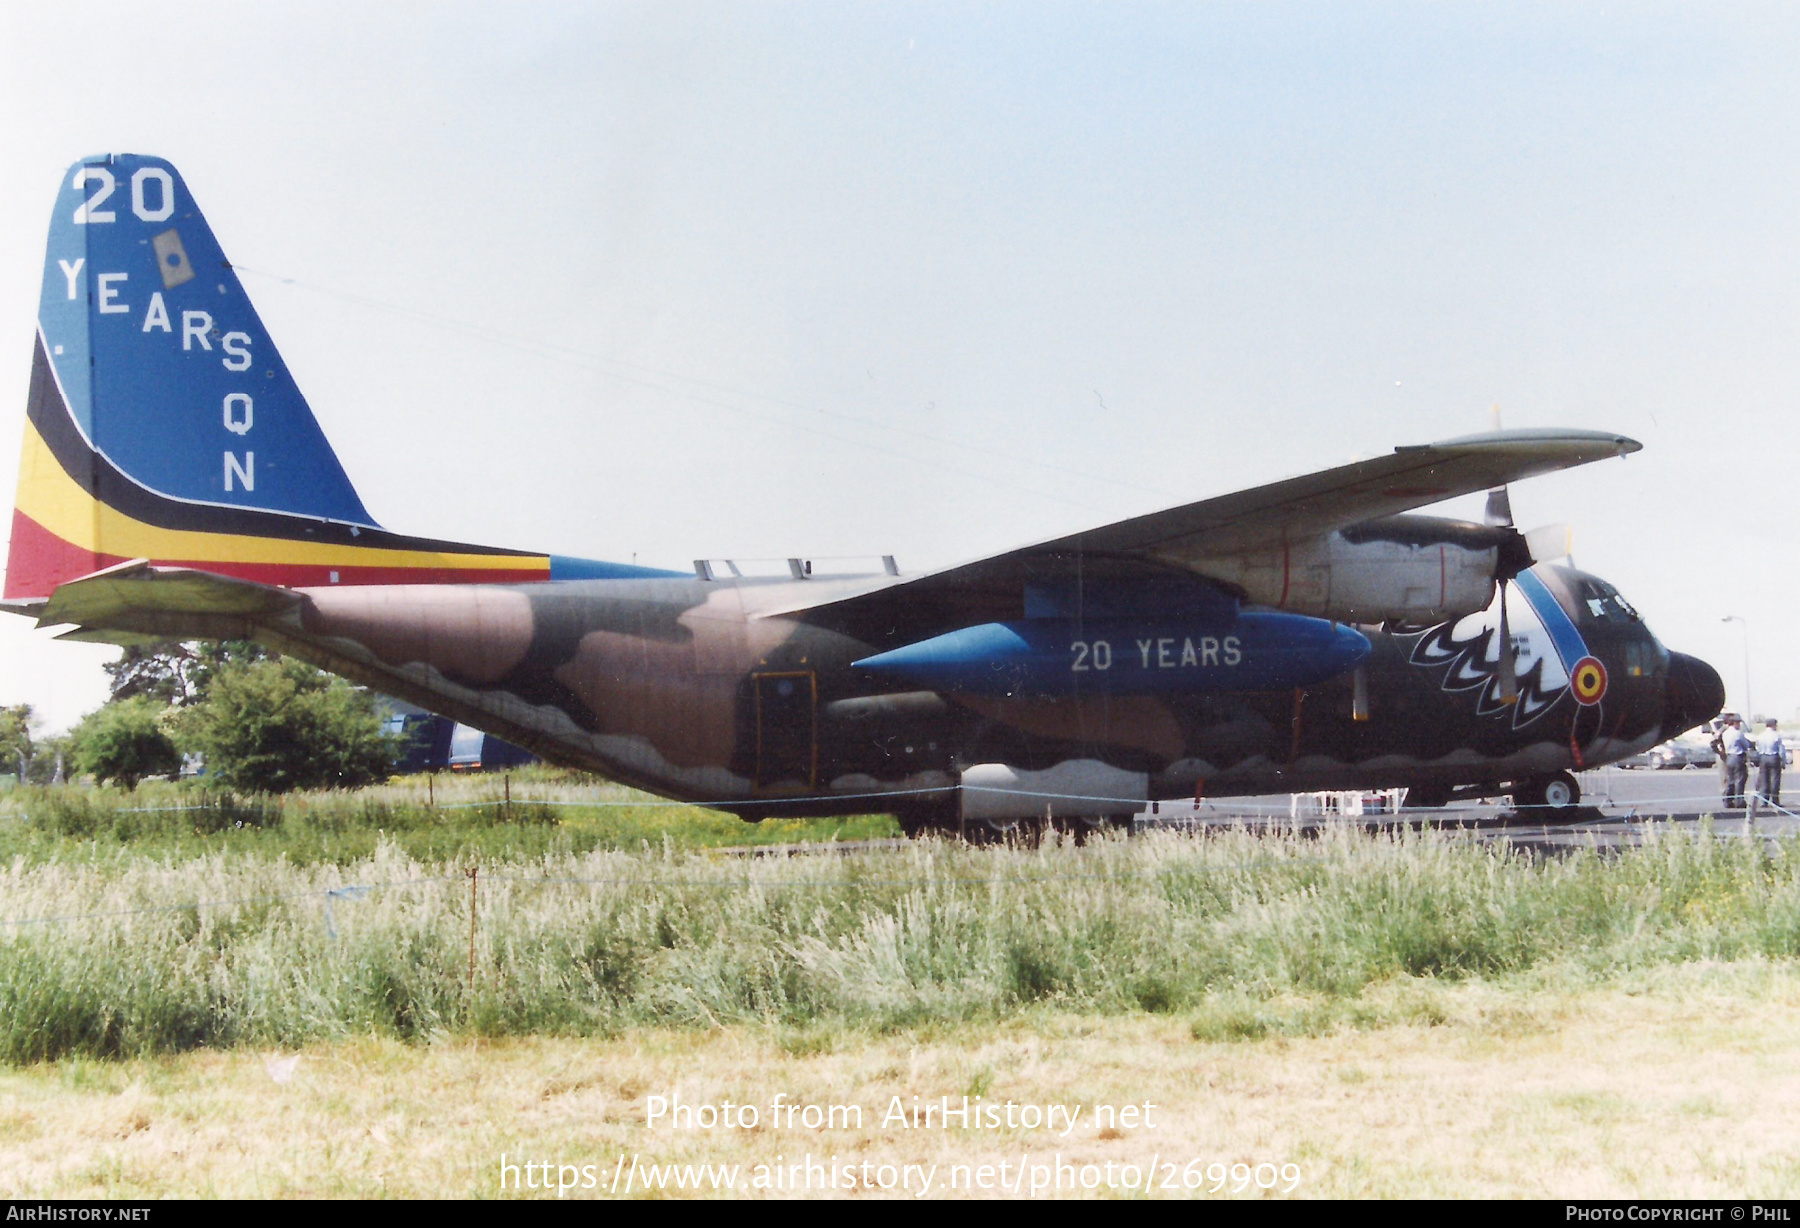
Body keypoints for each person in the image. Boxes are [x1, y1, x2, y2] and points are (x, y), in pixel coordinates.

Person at [1753, 718, 1790, 810]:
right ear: (1774, 725)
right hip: (1774, 757)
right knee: (1775, 780)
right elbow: (1781, 750)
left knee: (1764, 780)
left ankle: (1764, 801)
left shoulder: (1760, 735)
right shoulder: (1777, 735)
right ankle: (1775, 800)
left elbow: (1757, 748)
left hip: (1763, 757)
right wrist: (1783, 761)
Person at [1719, 715, 1753, 809]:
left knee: (1731, 780)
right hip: (1738, 756)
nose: (1739, 725)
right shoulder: (1738, 733)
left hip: (1729, 757)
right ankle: (1739, 801)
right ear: (1734, 723)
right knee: (1740, 779)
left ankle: (1728, 800)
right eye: (1738, 723)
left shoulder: (1725, 733)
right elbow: (1746, 745)